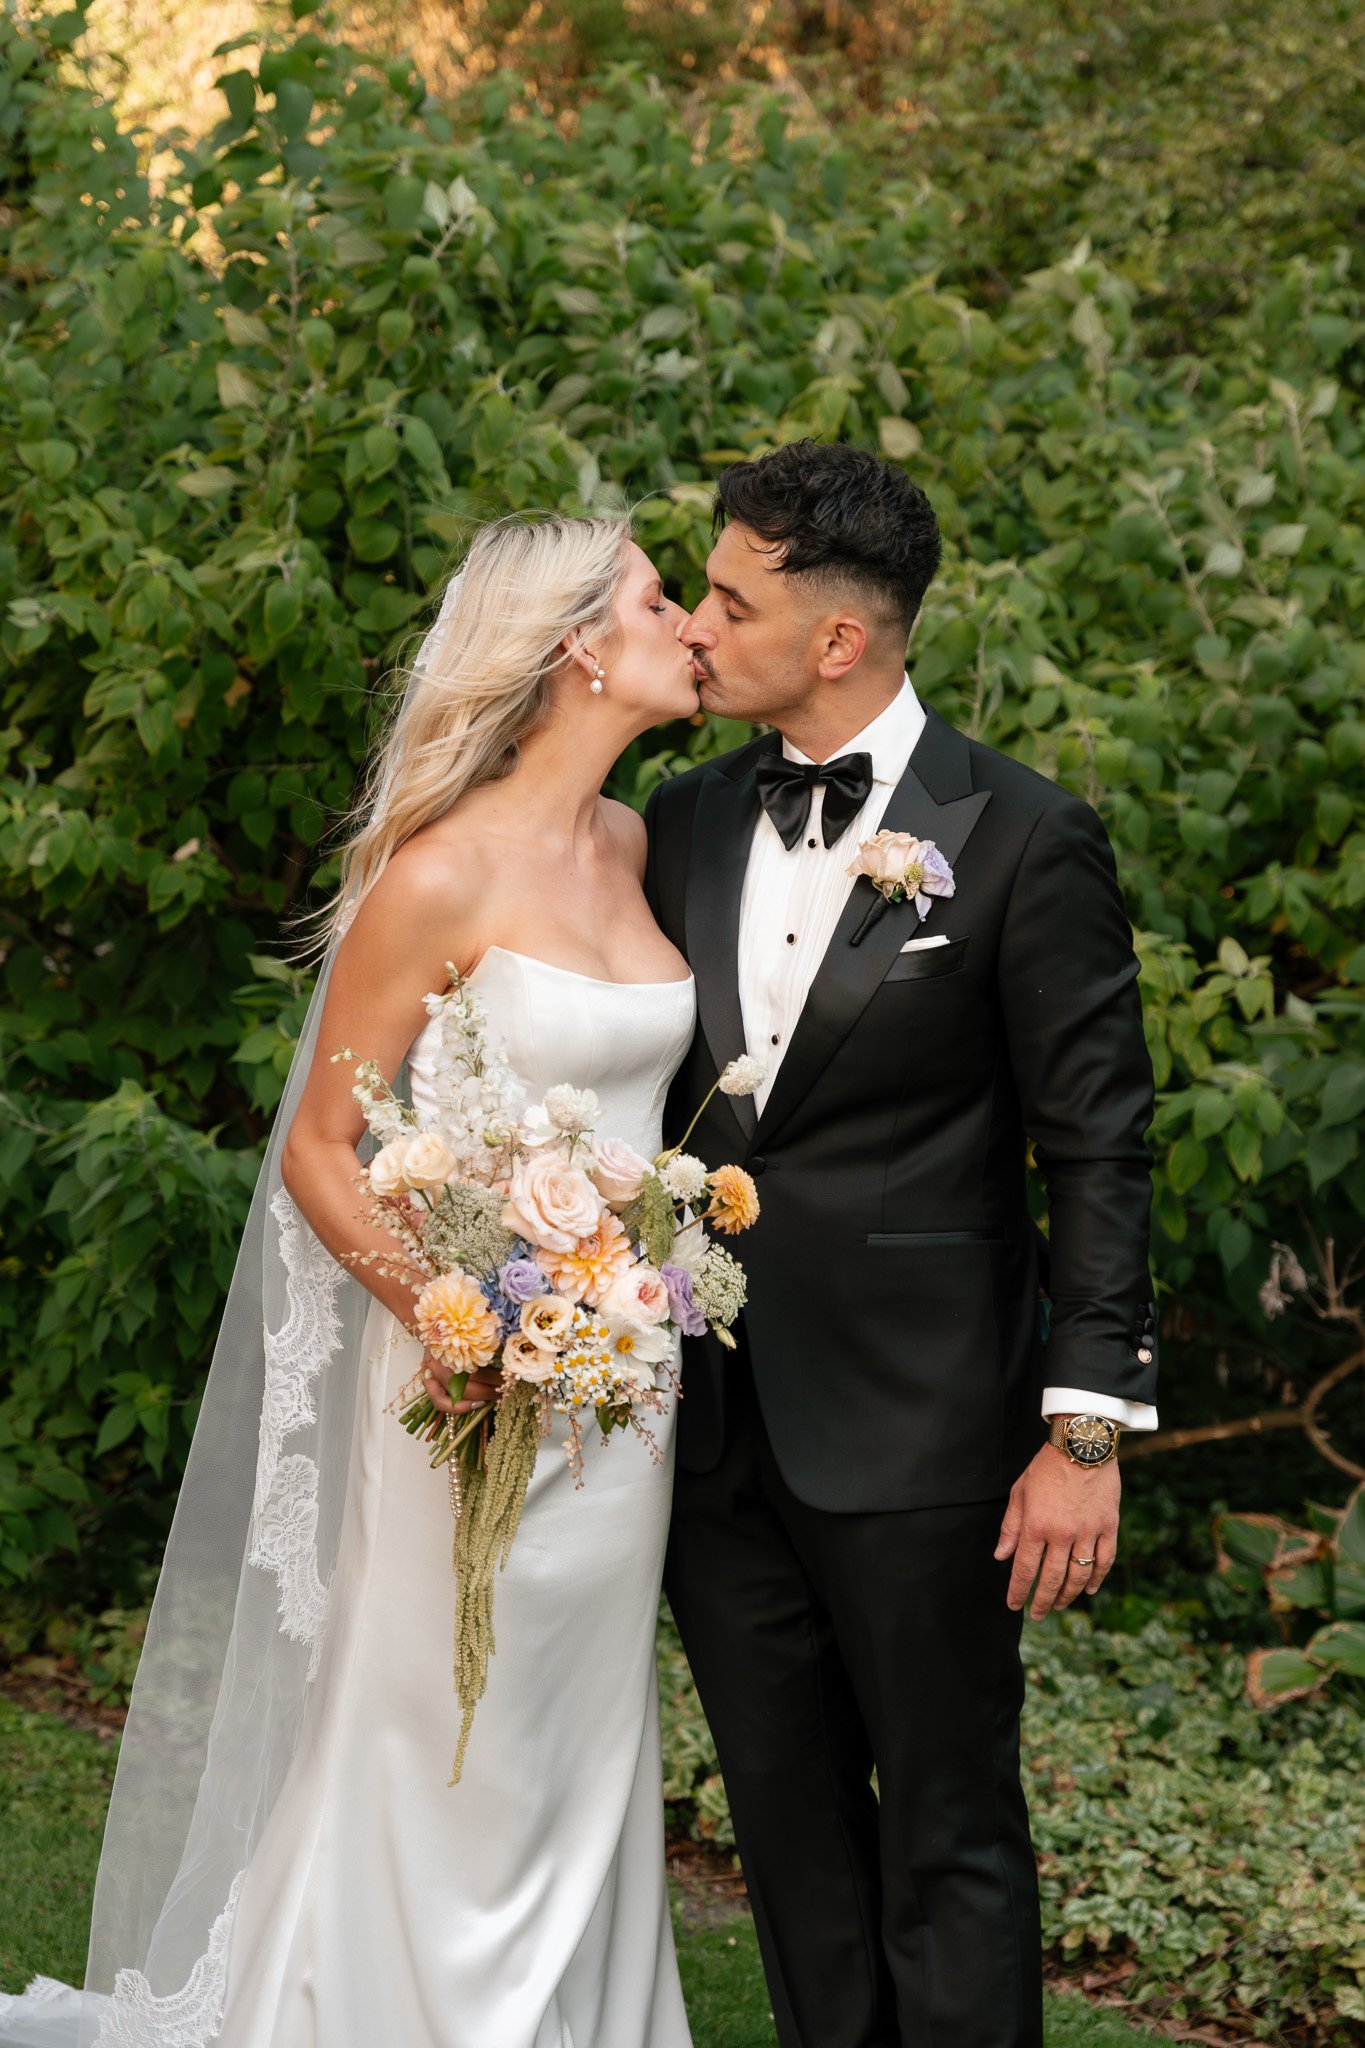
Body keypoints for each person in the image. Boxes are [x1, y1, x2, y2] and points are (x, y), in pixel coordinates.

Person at [0, 515, 701, 2048]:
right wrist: (451, 1326)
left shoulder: (632, 844)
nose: (694, 625)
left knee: (577, 1722)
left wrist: (614, 1301)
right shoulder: (437, 880)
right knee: (442, 1715)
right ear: (579, 644)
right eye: (661, 600)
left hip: (628, 1381)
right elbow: (324, 1144)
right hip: (463, 1376)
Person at [647, 440, 1159, 2048]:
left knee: (948, 1838)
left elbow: (1096, 1145)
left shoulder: (1019, 835)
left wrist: (1082, 1428)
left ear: (839, 641)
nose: (699, 626)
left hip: (928, 1440)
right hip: (712, 1432)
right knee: (788, 1847)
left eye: (731, 599)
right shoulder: (677, 819)